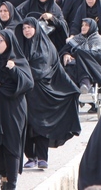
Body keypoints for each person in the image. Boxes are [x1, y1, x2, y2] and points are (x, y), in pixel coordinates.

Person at [15, 17, 80, 169]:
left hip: (41, 92)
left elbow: (44, 67)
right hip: (25, 92)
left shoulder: (46, 45)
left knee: (41, 125)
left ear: (36, 28)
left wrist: (25, 71)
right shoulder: (20, 45)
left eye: (29, 27)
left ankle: (42, 157)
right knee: (26, 125)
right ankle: (31, 157)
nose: (26, 31)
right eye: (24, 28)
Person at [0, 30, 34, 189]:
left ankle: (11, 183)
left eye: (0, 41)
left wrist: (14, 70)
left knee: (12, 145)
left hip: (13, 110)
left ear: (9, 43)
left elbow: (28, 83)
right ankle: (3, 177)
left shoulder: (19, 61)